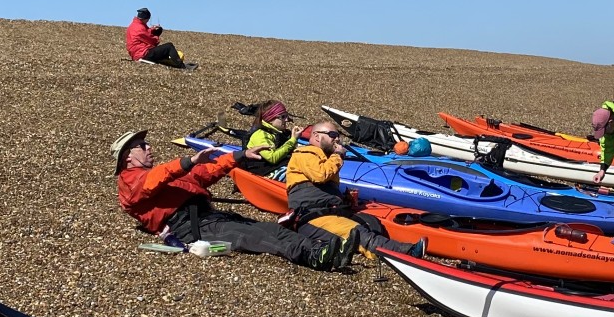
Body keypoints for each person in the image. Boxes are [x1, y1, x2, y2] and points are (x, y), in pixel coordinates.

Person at [114, 130, 348, 268]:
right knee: (256, 237)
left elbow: (204, 174)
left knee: (267, 228)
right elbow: (156, 178)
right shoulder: (130, 182)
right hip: (192, 227)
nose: (149, 147)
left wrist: (240, 155)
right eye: (141, 146)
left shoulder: (161, 176)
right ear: (127, 158)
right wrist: (188, 161)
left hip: (209, 217)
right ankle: (315, 256)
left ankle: (327, 248)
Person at [282, 121, 414, 258]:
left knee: (372, 223)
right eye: (332, 135)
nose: (337, 139)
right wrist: (338, 156)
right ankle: (403, 253)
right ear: (316, 136)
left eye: (338, 135)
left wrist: (344, 199)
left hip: (328, 212)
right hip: (312, 217)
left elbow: (322, 187)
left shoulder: (325, 159)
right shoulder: (304, 153)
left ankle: (381, 245)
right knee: (357, 232)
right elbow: (320, 175)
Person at [239, 101, 297, 175]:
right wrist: (293, 140)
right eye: (282, 117)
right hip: (260, 171)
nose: (286, 120)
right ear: (270, 119)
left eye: (286, 116)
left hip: (271, 167)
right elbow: (273, 158)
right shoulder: (260, 135)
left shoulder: (277, 132)